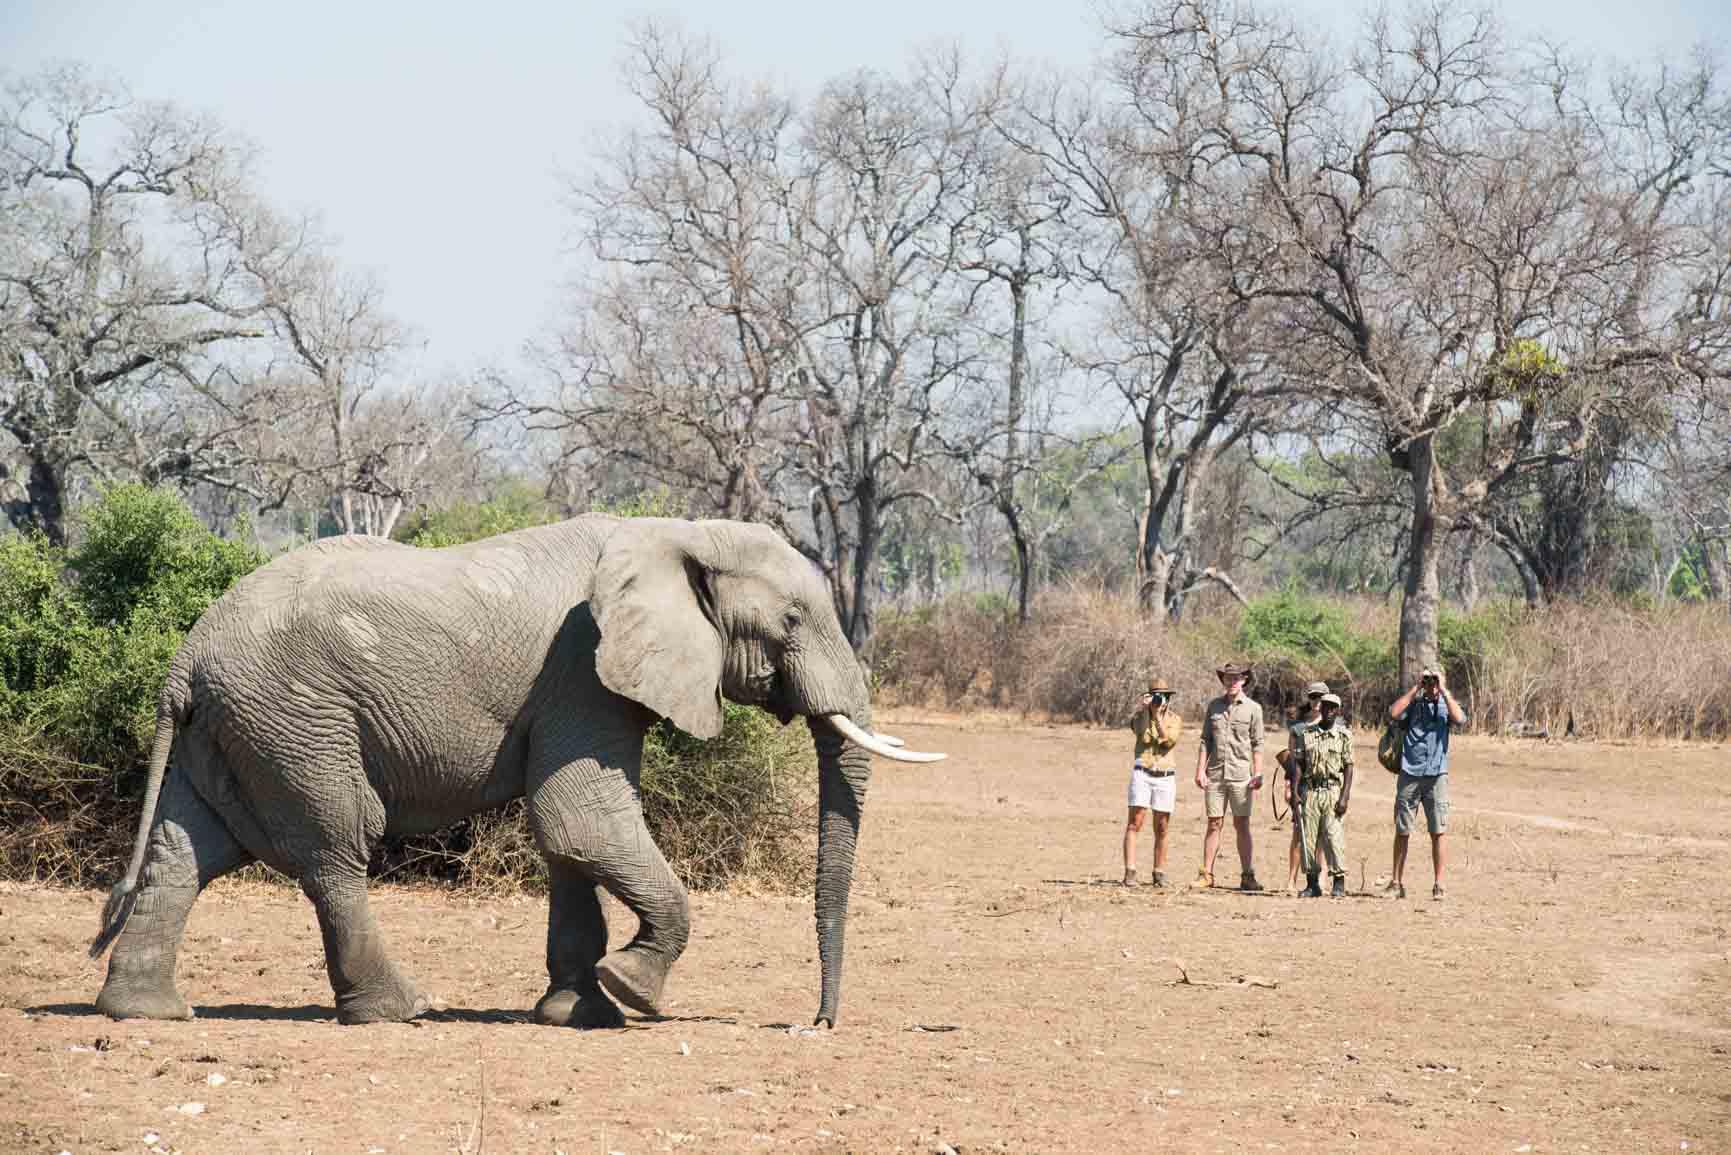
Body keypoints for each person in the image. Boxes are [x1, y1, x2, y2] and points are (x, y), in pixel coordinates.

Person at [1386, 666, 1467, 900]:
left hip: (1437, 775)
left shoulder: (1445, 705)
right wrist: (1415, 689)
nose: (1430, 683)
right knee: (1402, 830)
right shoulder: (1413, 702)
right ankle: (1396, 882)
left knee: (1438, 831)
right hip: (1410, 773)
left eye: (1434, 679)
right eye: (1427, 679)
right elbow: (1393, 713)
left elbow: (1460, 719)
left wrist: (1443, 691)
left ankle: (1439, 884)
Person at [1193, 662, 1265, 891]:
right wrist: (1200, 770)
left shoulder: (1254, 709)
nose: (1232, 682)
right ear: (1223, 680)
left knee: (1241, 824)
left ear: (1244, 680)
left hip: (1241, 775)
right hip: (1215, 775)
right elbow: (1206, 740)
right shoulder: (1214, 706)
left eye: (1236, 678)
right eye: (1227, 678)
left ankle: (1247, 875)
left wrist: (1258, 772)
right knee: (1214, 823)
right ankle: (1206, 874)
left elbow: (1258, 743)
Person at [1123, 677, 1183, 886]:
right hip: (1143, 771)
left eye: (1164, 696)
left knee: (1162, 826)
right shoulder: (1140, 717)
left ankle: (1159, 871)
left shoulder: (1175, 719)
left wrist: (1157, 718)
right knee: (1135, 821)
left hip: (1165, 775)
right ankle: (1130, 871)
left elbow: (1168, 741)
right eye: (1156, 695)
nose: (1161, 699)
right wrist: (1146, 711)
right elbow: (1141, 734)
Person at [1295, 693, 1353, 897]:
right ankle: (1312, 883)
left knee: (1333, 835)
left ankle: (1339, 881)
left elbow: (1348, 767)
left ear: (1338, 711)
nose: (1329, 710)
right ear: (1320, 708)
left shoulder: (1344, 735)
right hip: (1310, 790)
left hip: (1332, 790)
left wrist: (1344, 796)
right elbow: (1300, 764)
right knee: (1308, 837)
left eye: (1333, 707)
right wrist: (1295, 790)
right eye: (1325, 706)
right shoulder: (1307, 734)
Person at [1282, 682, 1330, 891]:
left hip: (1327, 786)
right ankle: (1291, 881)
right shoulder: (1297, 728)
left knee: (1323, 835)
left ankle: (1322, 879)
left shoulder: (1336, 725)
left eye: (1320, 697)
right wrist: (1288, 786)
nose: (1317, 701)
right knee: (1298, 834)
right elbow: (1291, 761)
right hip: (1302, 786)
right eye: (1313, 697)